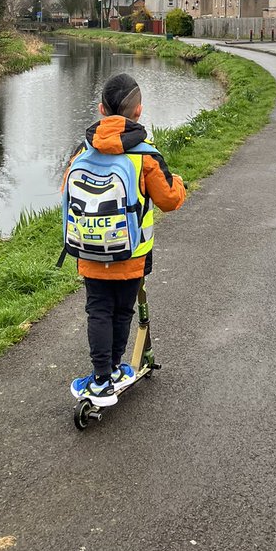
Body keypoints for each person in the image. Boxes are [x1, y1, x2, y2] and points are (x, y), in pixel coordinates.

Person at [65, 72, 186, 406]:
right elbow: (170, 200)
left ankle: (100, 377)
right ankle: (116, 370)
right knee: (122, 311)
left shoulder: (82, 150)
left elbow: (66, 190)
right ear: (139, 111)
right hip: (133, 253)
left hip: (89, 251)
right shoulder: (146, 155)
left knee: (98, 310)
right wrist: (176, 180)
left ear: (101, 110)